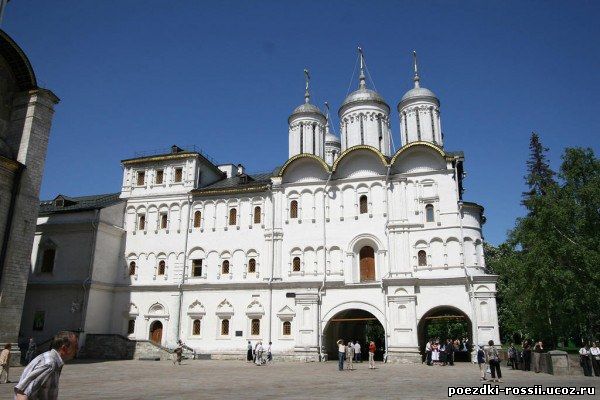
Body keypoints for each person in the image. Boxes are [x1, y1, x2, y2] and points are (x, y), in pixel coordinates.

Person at [14, 331, 78, 400]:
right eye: (75, 346)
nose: (77, 349)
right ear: (64, 349)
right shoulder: (49, 364)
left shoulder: (52, 359)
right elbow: (23, 393)